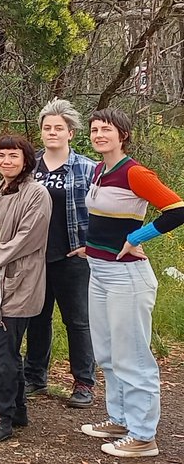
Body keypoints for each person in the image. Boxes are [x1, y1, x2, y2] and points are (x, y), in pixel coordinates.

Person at [78, 108, 184, 458]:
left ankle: (143, 436)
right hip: (99, 270)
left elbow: (177, 209)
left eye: (106, 129)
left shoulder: (135, 172)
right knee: (107, 352)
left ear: (122, 135)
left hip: (127, 276)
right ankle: (121, 419)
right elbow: (104, 219)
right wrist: (91, 246)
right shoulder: (99, 170)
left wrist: (138, 236)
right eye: (94, 129)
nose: (99, 135)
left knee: (132, 355)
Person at [0, 134, 51, 443]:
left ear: (26, 160)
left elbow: (26, 238)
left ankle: (0, 417)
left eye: (13, 156)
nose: (6, 161)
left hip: (17, 282)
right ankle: (17, 410)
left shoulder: (37, 194)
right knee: (5, 350)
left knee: (1, 352)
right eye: (1, 155)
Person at [22, 99, 97, 408]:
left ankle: (84, 382)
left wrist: (92, 244)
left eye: (58, 128)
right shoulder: (30, 167)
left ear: (71, 133)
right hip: (35, 256)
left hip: (72, 256)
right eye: (47, 128)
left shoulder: (88, 168)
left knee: (77, 320)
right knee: (36, 318)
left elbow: (103, 210)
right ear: (41, 132)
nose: (52, 132)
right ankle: (34, 377)